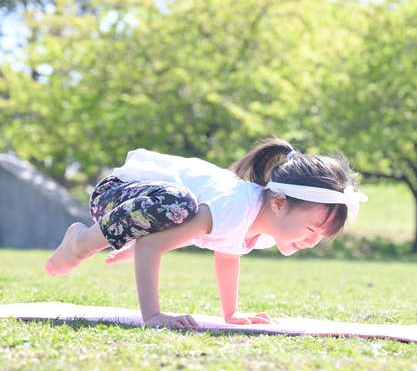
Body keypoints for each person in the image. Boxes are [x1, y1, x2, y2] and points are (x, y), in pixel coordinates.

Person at [45, 138, 367, 328]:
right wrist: (153, 315)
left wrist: (231, 313)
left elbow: (228, 253)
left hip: (143, 207)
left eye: (320, 236)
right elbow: (152, 248)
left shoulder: (265, 227)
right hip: (116, 194)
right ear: (279, 202)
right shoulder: (235, 206)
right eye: (311, 229)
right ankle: (81, 242)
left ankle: (131, 234)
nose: (311, 241)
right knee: (178, 204)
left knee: (177, 211)